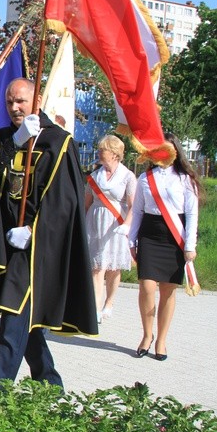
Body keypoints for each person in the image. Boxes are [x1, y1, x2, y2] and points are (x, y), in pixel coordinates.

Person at [0, 78, 97, 392]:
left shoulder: (58, 141)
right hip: (7, 242)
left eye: (20, 101)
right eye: (10, 102)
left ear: (36, 99)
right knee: (25, 319)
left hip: (37, 247)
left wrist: (34, 231)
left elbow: (65, 201)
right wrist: (16, 142)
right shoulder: (4, 137)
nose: (14, 108)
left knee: (13, 315)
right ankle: (49, 382)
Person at [128, 132, 200, 362]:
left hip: (174, 235)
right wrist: (131, 240)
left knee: (168, 290)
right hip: (149, 234)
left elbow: (191, 213)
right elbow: (137, 210)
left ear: (175, 151)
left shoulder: (185, 179)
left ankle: (162, 340)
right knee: (147, 287)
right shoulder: (145, 178)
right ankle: (147, 335)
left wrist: (190, 245)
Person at [84, 135, 137, 323]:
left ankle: (109, 302)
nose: (99, 153)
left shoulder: (127, 176)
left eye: (102, 150)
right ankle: (95, 309)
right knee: (97, 267)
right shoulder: (94, 175)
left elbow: (133, 205)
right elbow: (87, 203)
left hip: (116, 225)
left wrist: (127, 225)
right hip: (95, 222)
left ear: (114, 154)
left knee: (113, 267)